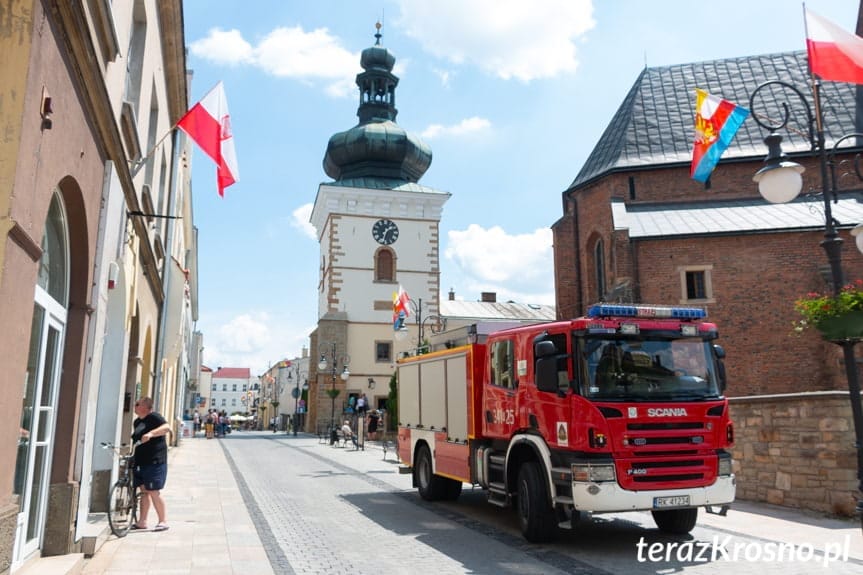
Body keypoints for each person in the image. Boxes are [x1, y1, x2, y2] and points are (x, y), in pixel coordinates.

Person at [131, 396, 171, 532]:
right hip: (141, 461)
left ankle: (163, 521)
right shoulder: (137, 422)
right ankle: (142, 521)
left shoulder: (154, 417)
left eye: (137, 404)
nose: (135, 406)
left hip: (155, 461)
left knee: (153, 491)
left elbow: (166, 427)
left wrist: (151, 434)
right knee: (144, 492)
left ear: (145, 407)